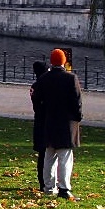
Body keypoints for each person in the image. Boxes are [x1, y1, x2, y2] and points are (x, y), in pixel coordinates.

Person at [31, 48, 83, 200]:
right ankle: (64, 188)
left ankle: (48, 187)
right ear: (63, 62)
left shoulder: (44, 79)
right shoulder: (71, 78)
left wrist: (43, 112)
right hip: (66, 123)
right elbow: (77, 101)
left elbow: (36, 98)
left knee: (49, 155)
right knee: (65, 156)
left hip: (49, 121)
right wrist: (78, 117)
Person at [29, 60, 49, 192]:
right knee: (48, 154)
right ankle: (47, 182)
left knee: (42, 155)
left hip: (39, 122)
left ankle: (42, 182)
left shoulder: (35, 86)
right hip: (47, 123)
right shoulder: (45, 85)